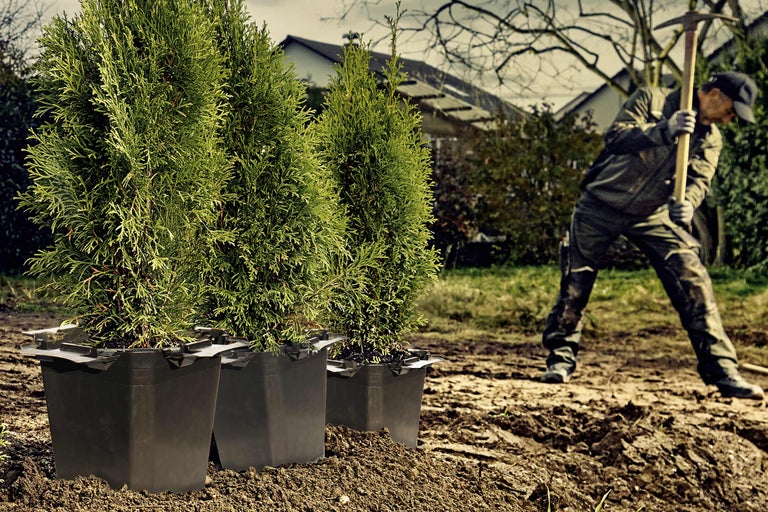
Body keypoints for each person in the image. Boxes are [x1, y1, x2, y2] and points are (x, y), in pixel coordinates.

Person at [540, 71, 764, 400]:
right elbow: (616, 137)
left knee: (693, 279)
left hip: (653, 213)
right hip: (600, 204)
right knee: (576, 282)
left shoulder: (711, 138)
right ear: (714, 94)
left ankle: (723, 371)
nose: (731, 120)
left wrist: (687, 203)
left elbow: (699, 180)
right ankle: (560, 360)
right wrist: (665, 129)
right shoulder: (652, 100)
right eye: (732, 110)